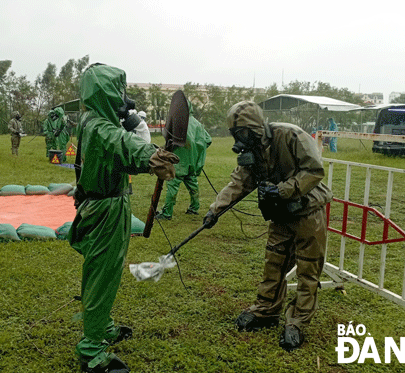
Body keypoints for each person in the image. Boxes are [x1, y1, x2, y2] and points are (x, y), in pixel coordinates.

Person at [67, 63, 179, 373]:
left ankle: (101, 327)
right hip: (105, 210)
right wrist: (152, 156)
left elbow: (118, 149)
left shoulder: (92, 120)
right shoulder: (101, 128)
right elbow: (122, 144)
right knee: (103, 275)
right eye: (119, 92)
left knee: (104, 272)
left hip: (103, 204)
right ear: (107, 92)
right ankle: (92, 350)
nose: (123, 98)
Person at [202, 101, 332, 352]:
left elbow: (314, 171)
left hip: (307, 210)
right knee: (274, 264)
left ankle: (297, 322)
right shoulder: (252, 149)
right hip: (280, 214)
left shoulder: (291, 135)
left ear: (254, 128)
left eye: (240, 133)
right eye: (234, 134)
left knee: (308, 267)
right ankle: (266, 311)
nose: (238, 139)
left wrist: (282, 190)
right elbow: (239, 182)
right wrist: (214, 211)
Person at [155, 101, 211, 220]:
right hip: (192, 163)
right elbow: (208, 140)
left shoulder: (179, 122)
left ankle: (167, 213)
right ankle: (194, 208)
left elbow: (171, 142)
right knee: (193, 185)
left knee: (172, 185)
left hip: (179, 162)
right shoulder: (198, 124)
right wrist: (196, 151)